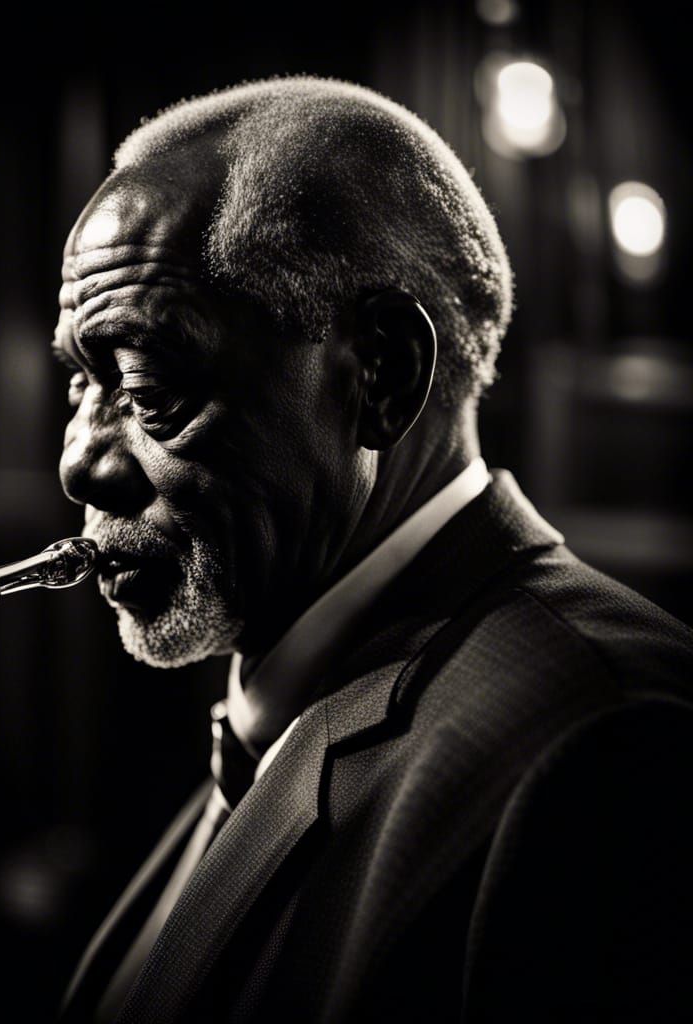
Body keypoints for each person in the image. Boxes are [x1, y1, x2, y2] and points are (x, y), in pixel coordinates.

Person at [50, 77, 693, 1022]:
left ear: (383, 373)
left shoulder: (609, 745)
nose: (79, 465)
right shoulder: (284, 686)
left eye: (146, 386)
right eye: (81, 381)